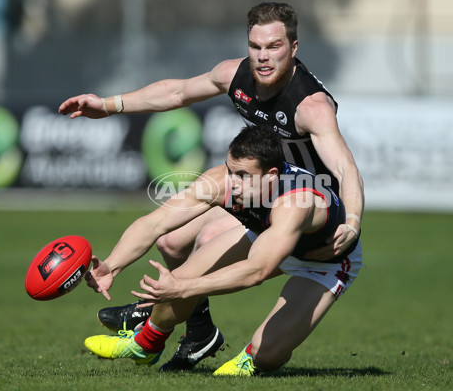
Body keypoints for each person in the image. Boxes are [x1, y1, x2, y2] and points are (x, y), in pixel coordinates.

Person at [58, 2, 364, 371]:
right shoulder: (235, 82)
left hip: (319, 236)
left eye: (274, 46)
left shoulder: (311, 107)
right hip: (266, 201)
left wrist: (353, 221)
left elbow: (346, 169)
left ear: (294, 48)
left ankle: (200, 332)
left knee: (263, 351)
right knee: (172, 241)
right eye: (256, 47)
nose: (263, 57)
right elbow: (178, 92)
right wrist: (108, 105)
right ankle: (167, 336)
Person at [83, 125, 362, 376]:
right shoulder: (221, 181)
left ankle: (252, 358)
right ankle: (145, 345)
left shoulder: (296, 202)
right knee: (179, 277)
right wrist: (112, 265)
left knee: (267, 354)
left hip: (324, 263)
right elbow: (156, 223)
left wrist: (184, 289)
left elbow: (257, 270)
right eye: (231, 170)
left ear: (271, 176)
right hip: (266, 236)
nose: (233, 182)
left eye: (243, 175)